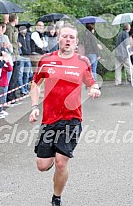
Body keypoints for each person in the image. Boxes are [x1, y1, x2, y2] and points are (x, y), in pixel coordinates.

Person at [29, 24, 101, 206]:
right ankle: (52, 157)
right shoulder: (46, 60)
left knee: (61, 162)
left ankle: (56, 198)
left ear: (76, 42)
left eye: (71, 37)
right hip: (49, 119)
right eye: (65, 36)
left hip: (71, 119)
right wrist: (34, 106)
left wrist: (94, 89)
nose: (68, 40)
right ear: (58, 39)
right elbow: (35, 84)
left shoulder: (82, 62)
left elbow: (91, 82)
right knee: (42, 165)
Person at [18, 26, 32, 95]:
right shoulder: (18, 36)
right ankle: (22, 90)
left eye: (24, 29)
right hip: (21, 56)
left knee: (27, 74)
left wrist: (31, 51)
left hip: (28, 56)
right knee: (20, 74)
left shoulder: (29, 35)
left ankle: (26, 88)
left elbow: (31, 44)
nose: (23, 30)